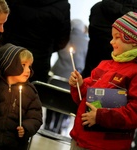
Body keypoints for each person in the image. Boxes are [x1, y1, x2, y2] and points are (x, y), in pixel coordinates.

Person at [68, 11, 137, 150]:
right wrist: (79, 85)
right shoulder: (104, 65)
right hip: (80, 139)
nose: (112, 41)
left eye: (117, 37)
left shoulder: (134, 72)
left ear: (132, 41)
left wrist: (101, 117)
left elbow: (134, 112)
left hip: (106, 145)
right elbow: (84, 98)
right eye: (112, 37)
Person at [0, 43, 43, 150]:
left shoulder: (30, 92)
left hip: (14, 145)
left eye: (29, 66)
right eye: (23, 65)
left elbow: (35, 117)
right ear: (10, 64)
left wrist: (26, 127)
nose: (28, 70)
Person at [1, 0, 71, 82]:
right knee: (32, 91)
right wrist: (46, 49)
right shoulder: (61, 4)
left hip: (10, 54)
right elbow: (62, 40)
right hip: (39, 62)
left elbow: (3, 22)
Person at [45, 19, 89, 134]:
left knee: (51, 102)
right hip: (73, 79)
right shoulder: (86, 42)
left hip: (56, 76)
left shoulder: (65, 37)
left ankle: (47, 125)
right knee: (65, 105)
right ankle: (59, 128)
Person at [82, 0, 137, 77]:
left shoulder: (98, 8)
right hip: (121, 78)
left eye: (117, 37)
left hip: (93, 70)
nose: (111, 42)